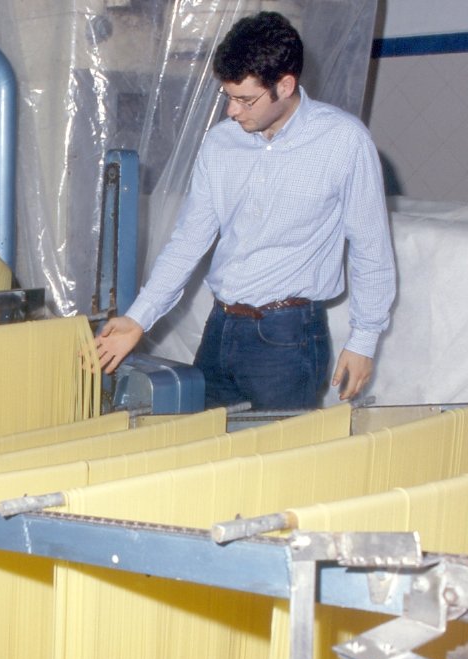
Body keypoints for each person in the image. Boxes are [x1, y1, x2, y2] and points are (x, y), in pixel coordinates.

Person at [95, 10, 396, 409]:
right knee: (203, 440)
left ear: (285, 85)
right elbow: (188, 242)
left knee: (279, 447)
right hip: (220, 328)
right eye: (228, 96)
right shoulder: (220, 145)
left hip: (287, 339)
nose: (232, 111)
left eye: (245, 100)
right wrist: (139, 318)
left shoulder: (343, 142)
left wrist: (364, 340)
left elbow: (371, 248)